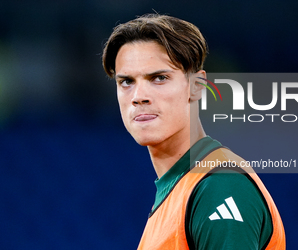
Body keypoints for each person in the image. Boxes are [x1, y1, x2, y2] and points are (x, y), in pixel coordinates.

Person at [102, 14, 285, 250]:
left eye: (159, 78)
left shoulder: (219, 186)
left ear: (197, 86)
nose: (139, 97)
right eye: (126, 82)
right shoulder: (184, 188)